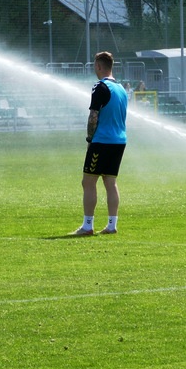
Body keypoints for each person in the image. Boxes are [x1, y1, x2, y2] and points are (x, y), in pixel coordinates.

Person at [72, 51, 128, 236]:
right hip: (119, 141)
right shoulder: (121, 88)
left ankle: (88, 226)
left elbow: (93, 116)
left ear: (98, 66)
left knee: (88, 182)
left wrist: (90, 139)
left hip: (102, 140)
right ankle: (112, 225)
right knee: (110, 182)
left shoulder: (100, 86)